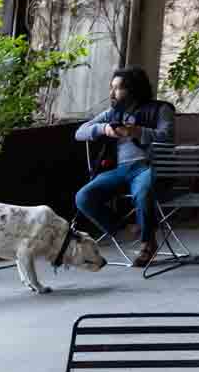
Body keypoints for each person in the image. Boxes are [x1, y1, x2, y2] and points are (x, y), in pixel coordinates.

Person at [73, 66, 175, 268]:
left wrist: (137, 131)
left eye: (118, 88)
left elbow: (168, 138)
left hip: (148, 166)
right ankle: (125, 229)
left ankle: (147, 243)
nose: (112, 93)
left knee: (143, 191)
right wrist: (103, 129)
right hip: (118, 170)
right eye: (112, 88)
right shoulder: (113, 113)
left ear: (134, 89)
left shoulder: (161, 109)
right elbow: (79, 132)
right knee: (83, 197)